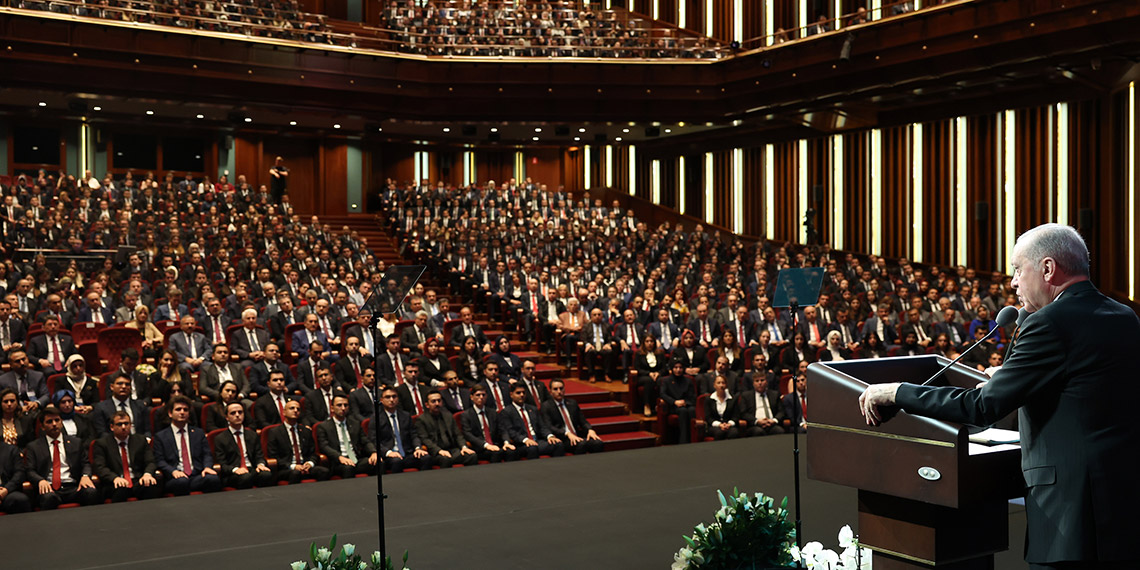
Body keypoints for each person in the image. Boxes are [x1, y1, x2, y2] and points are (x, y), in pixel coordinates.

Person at [859, 223, 1140, 568]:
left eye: (1018, 269)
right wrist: (1010, 379)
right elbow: (1083, 391)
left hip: (1070, 518)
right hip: (1122, 508)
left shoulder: (1048, 323)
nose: (1013, 283)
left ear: (1048, 268)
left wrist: (897, 392)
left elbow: (982, 407)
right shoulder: (1124, 316)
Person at [24, 404, 100, 509]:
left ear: (61, 422)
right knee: (48, 498)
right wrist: (40, 480)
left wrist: (85, 476)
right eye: (49, 422)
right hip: (49, 488)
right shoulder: (34, 447)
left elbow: (85, 463)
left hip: (73, 487)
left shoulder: (75, 442)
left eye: (57, 420)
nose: (54, 424)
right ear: (42, 426)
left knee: (91, 492)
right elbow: (30, 470)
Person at [152, 395, 221, 495]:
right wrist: (173, 471)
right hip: (175, 478)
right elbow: (159, 460)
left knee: (212, 479)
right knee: (182, 482)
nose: (182, 412)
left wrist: (207, 467)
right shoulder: (161, 436)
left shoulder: (198, 433)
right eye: (178, 409)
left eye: (185, 410)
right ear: (170, 413)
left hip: (197, 475)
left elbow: (206, 454)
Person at [90, 411, 160, 502]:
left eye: (126, 424)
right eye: (119, 424)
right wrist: (115, 478)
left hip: (137, 480)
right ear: (112, 427)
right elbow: (100, 467)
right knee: (121, 489)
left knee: (150, 485)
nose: (123, 427)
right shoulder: (102, 444)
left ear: (130, 425)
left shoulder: (140, 440)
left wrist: (147, 474)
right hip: (115, 482)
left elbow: (150, 461)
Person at [265, 399, 331, 484]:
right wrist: (293, 466)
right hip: (287, 469)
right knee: (296, 473)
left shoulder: (305, 431)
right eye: (292, 408)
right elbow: (274, 456)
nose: (295, 410)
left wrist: (310, 463)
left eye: (298, 409)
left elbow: (313, 452)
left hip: (305, 466)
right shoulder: (275, 432)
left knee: (324, 471)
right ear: (284, 412)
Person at [213, 402, 274, 489]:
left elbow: (259, 455)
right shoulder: (220, 438)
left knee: (266, 475)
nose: (237, 415)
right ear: (227, 417)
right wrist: (235, 469)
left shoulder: (252, 435)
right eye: (233, 413)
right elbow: (222, 464)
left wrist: (260, 464)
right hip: (233, 473)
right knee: (245, 477)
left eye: (240, 412)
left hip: (251, 469)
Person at [317, 394, 378, 478]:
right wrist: (339, 457)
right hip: (339, 462)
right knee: (348, 468)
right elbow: (324, 447)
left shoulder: (355, 423)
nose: (343, 408)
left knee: (377, 462)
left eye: (345, 405)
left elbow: (365, 441)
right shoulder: (324, 427)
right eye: (339, 405)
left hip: (356, 460)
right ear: (332, 408)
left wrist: (373, 452)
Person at [416, 390, 477, 468]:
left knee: (471, 456)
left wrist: (463, 447)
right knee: (445, 459)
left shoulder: (448, 415)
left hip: (452, 450)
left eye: (439, 400)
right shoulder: (422, 419)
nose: (437, 403)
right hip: (435, 452)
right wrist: (439, 451)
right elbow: (425, 440)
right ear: (427, 405)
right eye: (433, 401)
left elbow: (458, 435)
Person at [500, 383, 564, 459]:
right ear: (511, 395)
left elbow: (542, 426)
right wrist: (525, 440)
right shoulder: (507, 412)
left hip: (537, 441)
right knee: (532, 448)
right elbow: (512, 432)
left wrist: (550, 436)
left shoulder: (533, 409)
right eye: (518, 393)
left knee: (558, 444)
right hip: (521, 443)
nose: (522, 395)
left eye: (523, 392)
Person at [540, 379, 604, 454]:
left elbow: (582, 421)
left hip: (577, 435)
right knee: (581, 444)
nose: (559, 391)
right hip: (563, 439)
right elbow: (550, 426)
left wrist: (590, 429)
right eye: (555, 389)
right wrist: (566, 433)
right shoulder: (546, 406)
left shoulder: (572, 403)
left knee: (598, 443)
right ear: (550, 392)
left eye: (561, 388)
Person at [460, 383, 517, 463]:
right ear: (471, 397)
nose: (481, 397)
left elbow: (502, 430)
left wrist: (506, 442)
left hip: (495, 444)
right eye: (478, 395)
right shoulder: (466, 415)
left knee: (510, 451)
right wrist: (486, 445)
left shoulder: (493, 412)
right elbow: (468, 435)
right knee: (496, 453)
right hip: (480, 447)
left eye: (483, 395)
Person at [659, 359, 696, 443]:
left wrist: (685, 402)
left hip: (687, 404)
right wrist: (674, 402)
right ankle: (684, 441)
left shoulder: (688, 380)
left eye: (680, 367)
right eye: (676, 367)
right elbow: (662, 394)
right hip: (673, 406)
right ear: (672, 369)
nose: (678, 370)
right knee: (683, 411)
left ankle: (694, 439)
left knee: (692, 410)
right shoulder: (666, 380)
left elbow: (692, 396)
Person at [737, 372, 785, 437]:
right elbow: (743, 413)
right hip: (755, 425)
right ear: (753, 384)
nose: (760, 383)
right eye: (757, 381)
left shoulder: (774, 394)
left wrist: (774, 420)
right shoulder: (746, 396)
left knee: (780, 431)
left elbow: (781, 411)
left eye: (762, 380)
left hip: (772, 424)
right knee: (758, 432)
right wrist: (757, 421)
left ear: (766, 382)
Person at [634, 335, 667, 417]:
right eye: (647, 341)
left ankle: (660, 404)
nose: (649, 343)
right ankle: (647, 405)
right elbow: (637, 368)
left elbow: (664, 368)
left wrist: (658, 373)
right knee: (649, 380)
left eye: (651, 341)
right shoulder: (639, 354)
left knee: (662, 380)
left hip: (657, 375)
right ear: (643, 343)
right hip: (643, 376)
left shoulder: (660, 353)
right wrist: (649, 373)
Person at [0, 436, 30, 513]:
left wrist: (6, 489)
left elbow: (20, 473)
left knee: (20, 499)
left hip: (6, 491)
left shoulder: (11, 450)